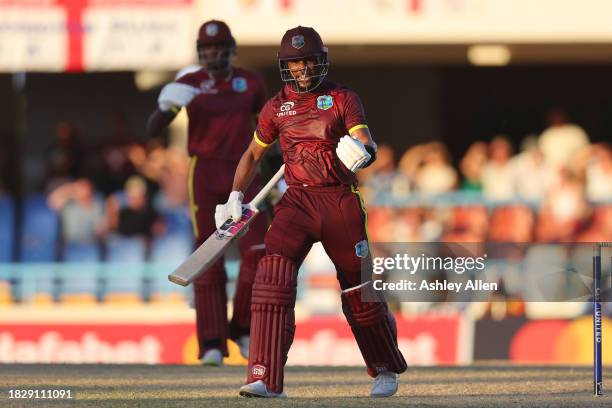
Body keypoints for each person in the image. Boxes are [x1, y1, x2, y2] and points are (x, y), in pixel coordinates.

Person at [215, 26, 406, 398]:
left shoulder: (342, 98)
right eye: (294, 63)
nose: (301, 69)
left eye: (307, 62)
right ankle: (265, 378)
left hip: (339, 200)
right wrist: (234, 195)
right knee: (272, 277)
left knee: (358, 288)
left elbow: (365, 140)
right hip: (297, 202)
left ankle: (385, 368)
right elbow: (254, 154)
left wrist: (364, 151)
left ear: (320, 61)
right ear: (285, 66)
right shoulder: (275, 108)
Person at [146, 20, 268, 366]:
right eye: (207, 50)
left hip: (245, 170)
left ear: (231, 49)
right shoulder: (190, 82)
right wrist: (168, 105)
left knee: (258, 250)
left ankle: (241, 327)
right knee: (209, 253)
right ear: (200, 52)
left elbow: (267, 133)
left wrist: (278, 177)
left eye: (220, 49)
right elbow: (152, 129)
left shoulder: (252, 82)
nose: (214, 55)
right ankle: (211, 342)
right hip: (205, 170)